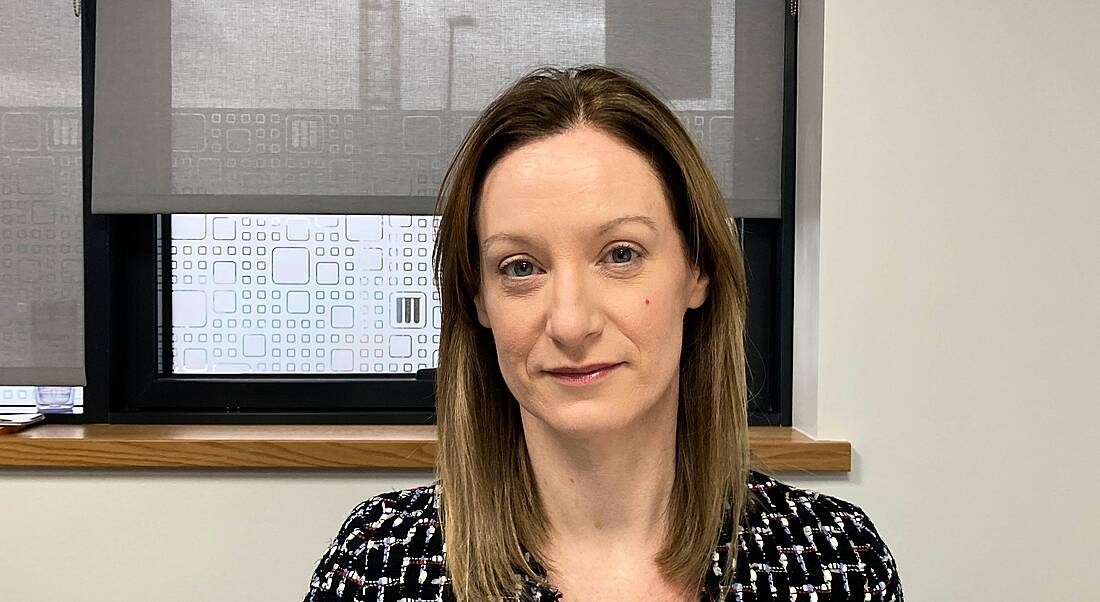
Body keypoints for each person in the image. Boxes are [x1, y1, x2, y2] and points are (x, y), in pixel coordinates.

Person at [303, 65, 902, 602]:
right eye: (520, 267)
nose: (569, 322)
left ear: (698, 271)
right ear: (478, 300)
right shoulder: (377, 569)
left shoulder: (835, 563)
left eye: (620, 254)